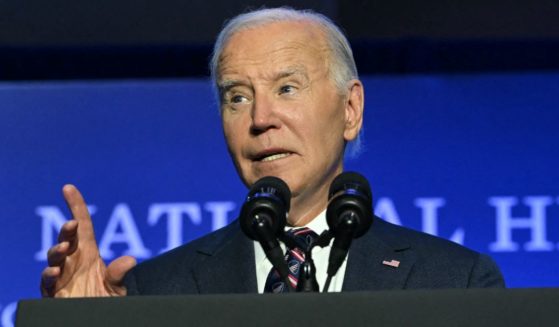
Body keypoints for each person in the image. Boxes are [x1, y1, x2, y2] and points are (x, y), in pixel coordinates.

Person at [40, 7, 504, 298]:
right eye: (237, 97)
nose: (261, 118)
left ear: (350, 109)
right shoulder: (157, 292)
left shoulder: (454, 281)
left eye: (287, 88)